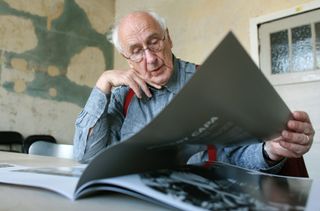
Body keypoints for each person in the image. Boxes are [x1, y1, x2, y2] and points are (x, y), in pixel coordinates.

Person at [73, 11, 315, 174]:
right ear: (127, 58)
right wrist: (103, 82)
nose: (150, 59)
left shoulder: (214, 83)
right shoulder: (121, 97)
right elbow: (86, 157)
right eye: (136, 51)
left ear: (168, 39)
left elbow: (236, 158)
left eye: (154, 42)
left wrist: (271, 151)